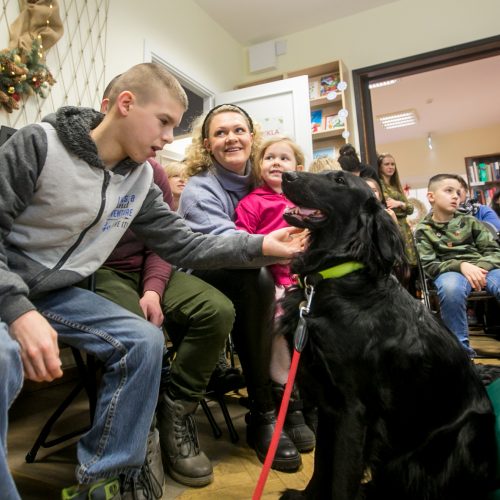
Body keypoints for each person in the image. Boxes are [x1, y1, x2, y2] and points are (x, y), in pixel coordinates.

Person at [0, 64, 304, 500]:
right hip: (8, 284)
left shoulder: (140, 178)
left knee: (143, 341)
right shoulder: (38, 145)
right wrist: (18, 310)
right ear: (126, 104)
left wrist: (261, 247)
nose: (167, 138)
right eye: (163, 122)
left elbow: (184, 243)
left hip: (60, 291)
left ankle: (108, 478)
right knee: (3, 358)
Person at [179, 104, 303, 472]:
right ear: (207, 144)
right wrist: (271, 248)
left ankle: (294, 400)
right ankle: (263, 412)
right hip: (208, 273)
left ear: (252, 137)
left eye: (239, 130)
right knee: (258, 278)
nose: (231, 138)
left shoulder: (268, 175)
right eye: (220, 133)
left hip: (273, 270)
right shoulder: (200, 190)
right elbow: (221, 244)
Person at [234, 135, 315, 453]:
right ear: (259, 164)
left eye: (284, 158)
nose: (276, 162)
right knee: (282, 327)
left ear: (297, 167)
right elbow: (242, 240)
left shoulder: (306, 205)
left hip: (306, 283)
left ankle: (312, 400)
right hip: (275, 283)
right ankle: (288, 404)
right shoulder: (252, 202)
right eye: (269, 157)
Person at [414, 173, 500, 357]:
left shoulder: (471, 222)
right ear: (431, 196)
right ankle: (461, 354)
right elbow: (430, 265)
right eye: (449, 191)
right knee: (450, 288)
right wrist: (461, 266)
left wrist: (480, 267)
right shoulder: (423, 229)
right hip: (449, 270)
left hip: (482, 267)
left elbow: (494, 252)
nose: (456, 196)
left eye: (458, 192)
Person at [377, 152, 418, 293]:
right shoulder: (379, 186)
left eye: (393, 164)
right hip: (391, 226)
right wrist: (402, 207)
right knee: (397, 266)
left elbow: (411, 208)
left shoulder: (396, 186)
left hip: (405, 229)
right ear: (380, 167)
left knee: (410, 267)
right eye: (386, 164)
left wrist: (399, 203)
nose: (390, 167)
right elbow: (387, 206)